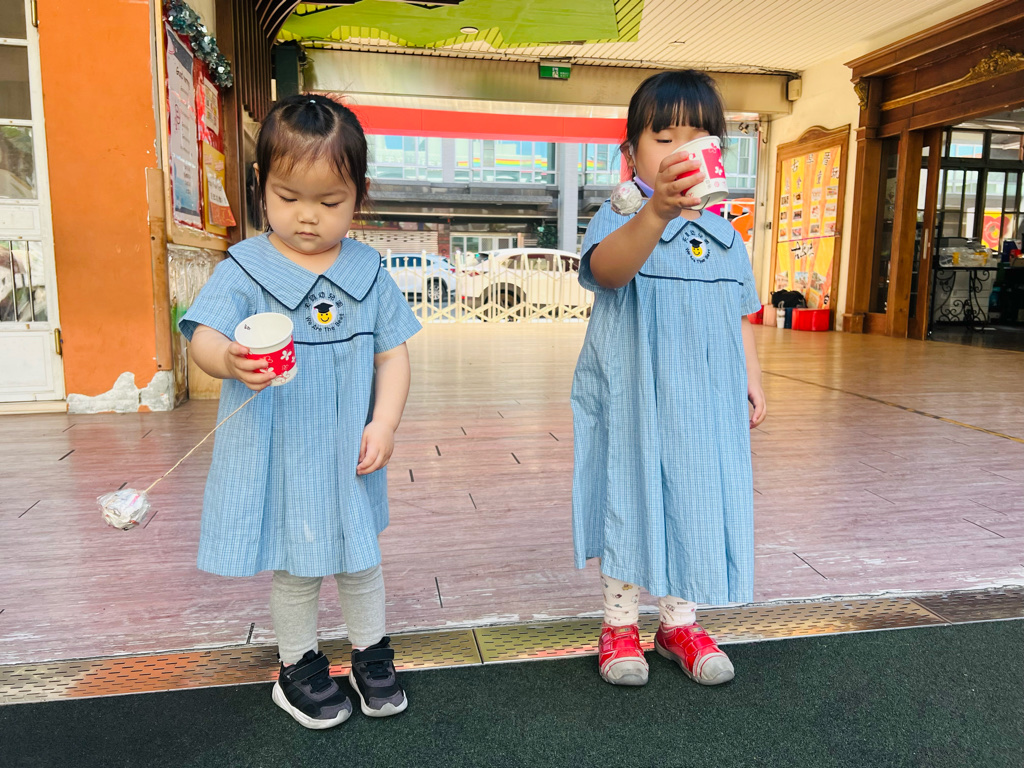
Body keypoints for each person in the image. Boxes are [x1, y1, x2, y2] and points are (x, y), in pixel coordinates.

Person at [179, 94, 421, 729]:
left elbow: (393, 355)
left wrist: (384, 423)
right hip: (282, 454)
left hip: (349, 453)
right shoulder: (246, 267)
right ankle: (298, 667)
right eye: (288, 197)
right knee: (297, 567)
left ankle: (370, 654)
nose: (308, 216)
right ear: (262, 186)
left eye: (330, 201)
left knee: (360, 557)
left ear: (359, 195)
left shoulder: (369, 270)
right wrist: (227, 359)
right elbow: (203, 336)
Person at [572, 70, 766, 687]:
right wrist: (656, 209)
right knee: (629, 497)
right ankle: (619, 624)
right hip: (633, 398)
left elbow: (739, 312)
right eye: (664, 138)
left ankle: (680, 622)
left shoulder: (726, 235)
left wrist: (751, 375)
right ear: (632, 154)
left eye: (698, 138)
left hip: (703, 402)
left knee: (696, 499)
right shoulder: (621, 216)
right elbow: (608, 272)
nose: (681, 151)